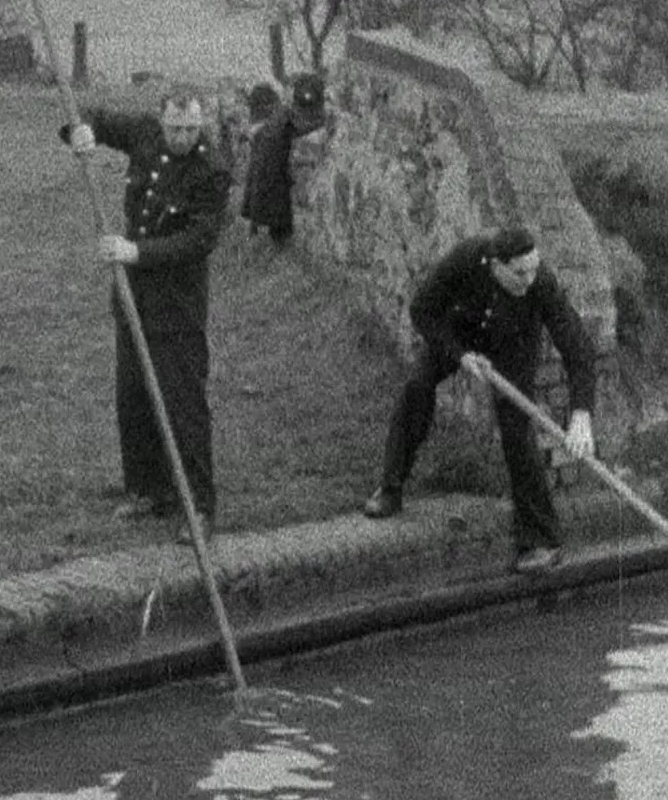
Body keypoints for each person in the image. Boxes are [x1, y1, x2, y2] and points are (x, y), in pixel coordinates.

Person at [362, 226, 597, 575]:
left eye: (534, 269)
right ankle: (390, 488)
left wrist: (581, 414)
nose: (529, 280)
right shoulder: (466, 259)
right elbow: (422, 310)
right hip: (459, 335)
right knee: (417, 388)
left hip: (514, 342)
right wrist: (459, 355)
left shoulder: (540, 283)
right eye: (520, 273)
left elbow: (577, 346)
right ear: (496, 265)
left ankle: (541, 541)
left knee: (516, 427)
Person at [62, 87, 233, 543]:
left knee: (183, 404)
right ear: (161, 122)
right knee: (133, 396)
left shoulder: (212, 171)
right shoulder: (143, 134)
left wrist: (133, 250)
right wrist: (80, 133)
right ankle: (148, 491)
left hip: (176, 305)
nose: (183, 137)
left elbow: (197, 241)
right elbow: (94, 117)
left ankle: (198, 507)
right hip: (132, 297)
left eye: (192, 128)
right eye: (176, 128)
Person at [240, 73, 326, 246]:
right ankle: (276, 242)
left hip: (266, 166)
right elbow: (302, 127)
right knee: (278, 210)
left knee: (264, 203)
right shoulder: (287, 115)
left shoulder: (279, 115)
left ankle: (259, 235)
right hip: (273, 169)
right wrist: (323, 121)